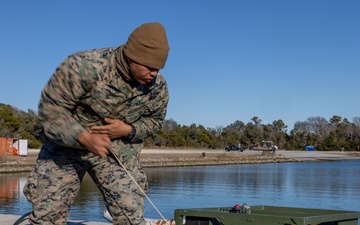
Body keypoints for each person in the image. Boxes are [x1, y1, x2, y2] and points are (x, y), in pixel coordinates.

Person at [23, 22, 170, 225]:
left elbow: (155, 121)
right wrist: (83, 137)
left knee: (131, 216)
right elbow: (51, 109)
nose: (154, 73)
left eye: (158, 68)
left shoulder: (157, 88)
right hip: (66, 146)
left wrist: (129, 129)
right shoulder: (85, 66)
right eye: (149, 66)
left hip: (115, 152)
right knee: (48, 215)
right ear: (131, 57)